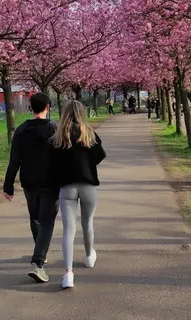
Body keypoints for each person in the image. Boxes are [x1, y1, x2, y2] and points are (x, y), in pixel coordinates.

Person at [49, 101, 106, 289]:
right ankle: (89, 256)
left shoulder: (57, 137)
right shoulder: (89, 134)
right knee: (87, 223)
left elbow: (52, 161)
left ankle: (68, 273)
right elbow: (99, 157)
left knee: (68, 229)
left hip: (67, 187)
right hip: (88, 185)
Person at [3, 93, 58, 283]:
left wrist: (8, 185)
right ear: (48, 107)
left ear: (30, 108)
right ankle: (38, 262)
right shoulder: (54, 129)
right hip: (50, 183)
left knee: (35, 218)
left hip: (29, 182)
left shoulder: (21, 130)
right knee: (47, 221)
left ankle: (39, 250)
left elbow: (14, 160)